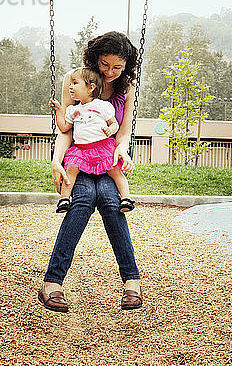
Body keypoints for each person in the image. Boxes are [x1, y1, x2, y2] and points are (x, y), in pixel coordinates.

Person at [38, 31, 142, 313]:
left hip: (107, 157)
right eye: (105, 64)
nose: (110, 72)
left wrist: (122, 150)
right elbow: (66, 129)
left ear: (126, 66)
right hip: (79, 158)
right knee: (81, 202)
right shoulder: (77, 80)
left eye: (117, 67)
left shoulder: (126, 88)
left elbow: (123, 132)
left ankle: (132, 280)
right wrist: (56, 161)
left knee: (111, 203)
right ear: (95, 58)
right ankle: (52, 282)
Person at [50, 67, 134, 214]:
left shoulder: (102, 106)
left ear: (90, 87)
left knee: (114, 170)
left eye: (75, 83)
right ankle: (64, 198)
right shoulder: (72, 110)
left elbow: (114, 123)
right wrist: (58, 111)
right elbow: (64, 128)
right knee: (71, 169)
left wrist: (111, 130)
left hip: (102, 147)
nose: (70, 86)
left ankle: (126, 198)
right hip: (81, 150)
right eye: (70, 83)